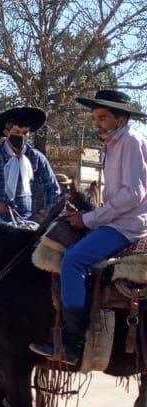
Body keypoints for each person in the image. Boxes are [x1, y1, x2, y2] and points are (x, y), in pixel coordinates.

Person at [30, 90, 147, 365]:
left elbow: (132, 194)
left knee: (73, 260)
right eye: (95, 118)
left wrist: (90, 219)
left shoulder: (130, 141)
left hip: (127, 225)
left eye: (103, 118)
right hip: (116, 220)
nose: (97, 124)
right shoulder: (113, 144)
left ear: (121, 119)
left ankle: (73, 343)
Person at [0, 106, 60, 224]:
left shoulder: (36, 158)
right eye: (16, 132)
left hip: (27, 223)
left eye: (25, 133)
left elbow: (52, 188)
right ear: (7, 133)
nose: (21, 136)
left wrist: (47, 213)